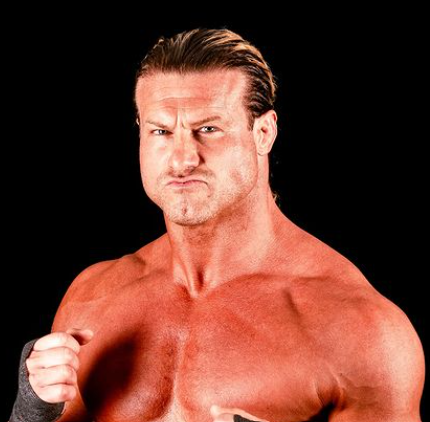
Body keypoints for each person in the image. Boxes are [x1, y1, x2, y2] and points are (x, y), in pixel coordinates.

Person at [10, 28, 425, 422]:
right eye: (161, 131)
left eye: (208, 129)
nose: (182, 158)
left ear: (263, 132)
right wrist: (29, 414)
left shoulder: (359, 329)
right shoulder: (92, 298)